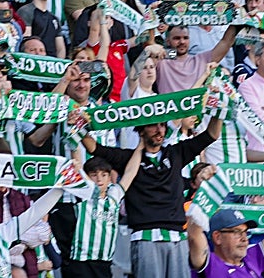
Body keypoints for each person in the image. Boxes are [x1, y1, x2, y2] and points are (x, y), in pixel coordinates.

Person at [83, 113, 222, 276]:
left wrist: (220, 109)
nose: (159, 130)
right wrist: (77, 123)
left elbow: (212, 134)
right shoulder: (127, 158)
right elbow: (93, 147)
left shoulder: (176, 152)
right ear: (141, 130)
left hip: (177, 237)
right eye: (153, 125)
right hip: (145, 238)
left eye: (162, 125)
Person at [187, 199, 264, 278]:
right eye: (237, 232)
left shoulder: (252, 258)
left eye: (245, 232)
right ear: (217, 237)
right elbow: (194, 235)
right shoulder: (209, 263)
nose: (244, 239)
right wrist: (208, 193)